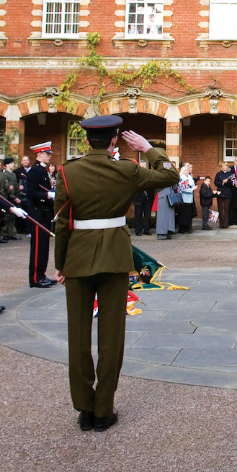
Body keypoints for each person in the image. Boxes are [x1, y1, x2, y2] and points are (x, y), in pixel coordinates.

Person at [53, 115, 179, 432]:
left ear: (86, 141)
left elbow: (62, 222)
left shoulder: (67, 171)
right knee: (111, 337)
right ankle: (103, 409)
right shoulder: (126, 169)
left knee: (78, 337)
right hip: (114, 257)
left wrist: (61, 264)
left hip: (77, 258)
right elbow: (169, 175)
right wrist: (148, 148)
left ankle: (84, 407)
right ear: (113, 141)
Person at [26, 141, 57, 288]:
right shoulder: (34, 171)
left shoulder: (42, 170)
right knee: (38, 246)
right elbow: (31, 193)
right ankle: (35, 278)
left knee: (44, 246)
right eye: (46, 154)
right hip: (37, 212)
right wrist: (47, 195)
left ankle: (41, 274)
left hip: (44, 213)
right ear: (39, 155)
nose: (49, 156)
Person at [0, 157, 22, 241]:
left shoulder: (13, 174)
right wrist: (12, 195)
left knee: (12, 217)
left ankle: (11, 233)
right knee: (5, 218)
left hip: (13, 197)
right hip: (6, 198)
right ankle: (4, 235)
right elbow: (4, 188)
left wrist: (17, 194)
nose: (13, 165)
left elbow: (14, 187)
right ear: (6, 165)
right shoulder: (3, 175)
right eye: (11, 163)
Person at [132, 163, 154, 236]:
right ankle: (138, 230)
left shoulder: (149, 175)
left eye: (144, 166)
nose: (143, 168)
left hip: (148, 198)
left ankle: (146, 230)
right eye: (142, 166)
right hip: (138, 198)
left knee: (147, 215)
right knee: (138, 215)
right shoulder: (135, 176)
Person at [177, 162, 197, 234]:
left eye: (187, 170)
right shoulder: (182, 178)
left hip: (189, 199)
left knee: (188, 214)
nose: (186, 171)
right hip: (184, 198)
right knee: (183, 215)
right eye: (185, 170)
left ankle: (187, 227)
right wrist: (192, 189)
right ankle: (182, 228)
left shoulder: (190, 177)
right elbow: (183, 189)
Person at [214, 162, 233, 229]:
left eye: (225, 166)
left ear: (227, 167)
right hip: (220, 193)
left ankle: (226, 224)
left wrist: (227, 182)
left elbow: (232, 184)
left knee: (226, 209)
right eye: (223, 166)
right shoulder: (218, 174)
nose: (224, 167)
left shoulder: (230, 174)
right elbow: (216, 183)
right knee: (220, 209)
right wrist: (222, 183)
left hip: (227, 193)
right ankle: (221, 224)